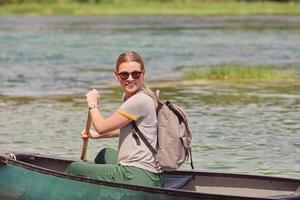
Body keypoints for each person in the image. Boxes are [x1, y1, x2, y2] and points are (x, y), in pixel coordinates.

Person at [66, 51, 164, 187]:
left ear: (143, 74)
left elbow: (101, 126)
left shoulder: (139, 100)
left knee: (74, 168)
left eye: (135, 74)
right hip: (153, 175)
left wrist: (92, 104)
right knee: (103, 154)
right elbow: (126, 129)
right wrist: (95, 135)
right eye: (124, 75)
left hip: (137, 175)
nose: (130, 79)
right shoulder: (134, 96)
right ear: (116, 75)